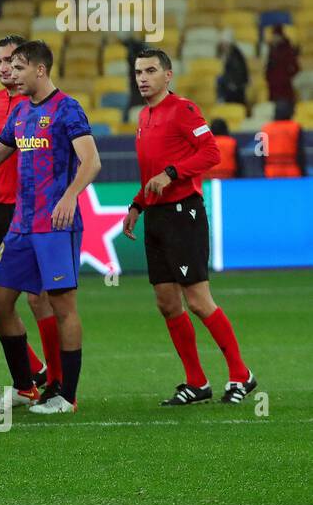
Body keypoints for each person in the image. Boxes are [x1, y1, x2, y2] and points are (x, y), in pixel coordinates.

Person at [0, 41, 101, 414]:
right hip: (22, 226)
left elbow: (91, 161)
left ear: (40, 69)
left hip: (56, 224)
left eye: (19, 67)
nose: (11, 73)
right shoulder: (21, 112)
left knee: (62, 305)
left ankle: (66, 395)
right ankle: (26, 384)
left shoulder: (67, 109)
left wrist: (71, 195)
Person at [122, 51, 256, 405]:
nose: (142, 78)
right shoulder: (143, 116)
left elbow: (211, 153)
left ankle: (242, 375)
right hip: (156, 217)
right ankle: (196, 382)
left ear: (168, 75)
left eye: (150, 71)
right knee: (167, 302)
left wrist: (172, 173)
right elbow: (151, 169)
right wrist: (137, 204)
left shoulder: (183, 109)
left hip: (184, 214)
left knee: (197, 300)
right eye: (138, 72)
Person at [0, 37, 60, 412]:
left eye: (10, 61)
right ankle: (33, 372)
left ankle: (52, 383)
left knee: (40, 299)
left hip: (32, 209)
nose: (3, 68)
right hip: (2, 208)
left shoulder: (36, 103)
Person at [260, 99, 304, 178]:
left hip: (271, 169)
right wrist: (303, 172)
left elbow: (261, 154)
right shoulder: (295, 127)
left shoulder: (266, 128)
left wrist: (263, 171)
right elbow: (300, 152)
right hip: (291, 168)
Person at [265, 24, 300, 107]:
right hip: (273, 87)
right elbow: (269, 67)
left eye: (276, 36)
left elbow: (296, 67)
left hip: (285, 88)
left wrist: (287, 77)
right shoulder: (271, 49)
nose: (274, 38)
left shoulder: (288, 50)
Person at [215, 33, 249, 105]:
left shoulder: (235, 56)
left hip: (237, 86)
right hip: (229, 85)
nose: (224, 46)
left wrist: (233, 83)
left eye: (225, 44)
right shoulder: (223, 54)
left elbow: (239, 72)